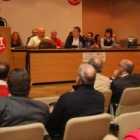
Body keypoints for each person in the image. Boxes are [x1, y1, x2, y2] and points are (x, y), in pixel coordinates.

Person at [47, 64, 104, 140]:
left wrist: (51, 112)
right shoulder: (100, 97)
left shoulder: (66, 98)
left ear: (78, 79)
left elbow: (51, 125)